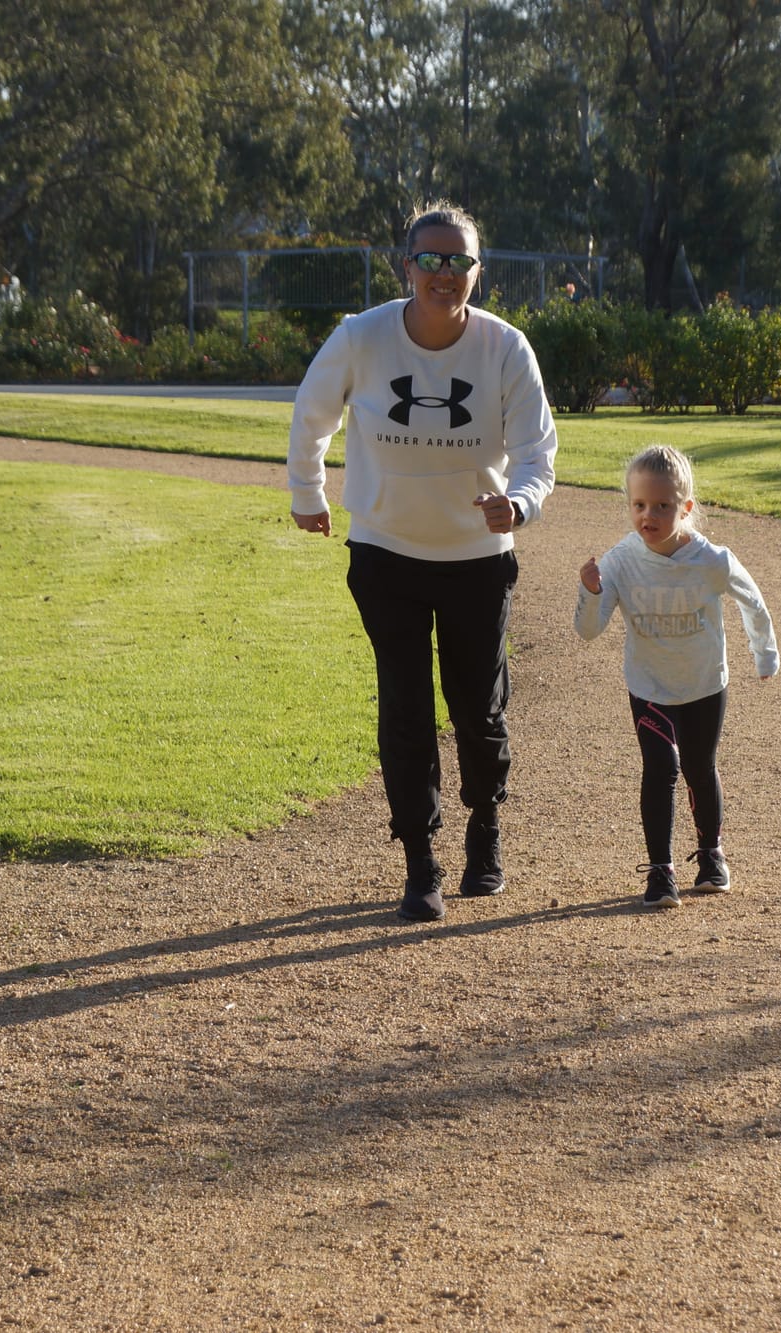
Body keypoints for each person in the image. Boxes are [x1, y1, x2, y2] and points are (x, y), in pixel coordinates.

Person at [287, 202, 558, 924]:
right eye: (430, 259)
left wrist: (520, 504)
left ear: (477, 270)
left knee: (478, 704)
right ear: (406, 265)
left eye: (459, 261)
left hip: (477, 558)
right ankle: (420, 860)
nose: (444, 273)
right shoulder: (361, 337)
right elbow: (312, 413)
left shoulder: (506, 348)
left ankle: (485, 829)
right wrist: (307, 494)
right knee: (404, 707)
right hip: (385, 554)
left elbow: (538, 452)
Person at [575, 445, 780, 909]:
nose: (649, 515)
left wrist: (764, 655)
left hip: (705, 682)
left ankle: (711, 856)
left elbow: (753, 599)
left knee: (698, 768)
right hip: (649, 686)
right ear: (629, 504)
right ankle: (661, 871)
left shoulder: (711, 560)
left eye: (663, 506)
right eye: (639, 505)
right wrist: (590, 592)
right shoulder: (619, 562)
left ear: (685, 508)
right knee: (660, 769)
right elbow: (589, 631)